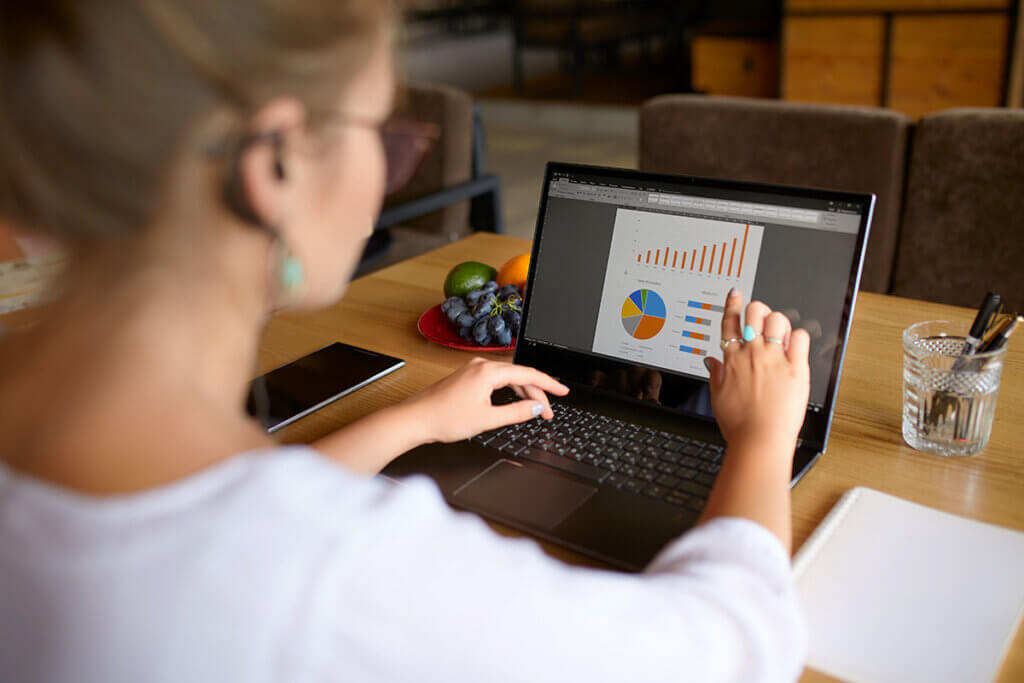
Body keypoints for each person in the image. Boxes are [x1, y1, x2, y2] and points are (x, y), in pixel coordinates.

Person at [0, 2, 810, 681]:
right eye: (384, 135)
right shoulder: (337, 568)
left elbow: (203, 513)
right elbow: (725, 650)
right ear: (274, 164)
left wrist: (413, 422)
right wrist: (764, 436)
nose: (389, 172)